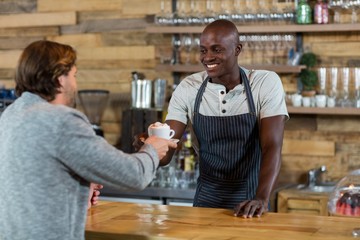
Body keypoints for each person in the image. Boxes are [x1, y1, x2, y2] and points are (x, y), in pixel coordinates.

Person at [0, 40, 177, 240]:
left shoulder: (11, 114)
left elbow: (32, 178)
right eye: (74, 76)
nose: (75, 84)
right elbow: (134, 175)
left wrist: (78, 187)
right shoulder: (61, 120)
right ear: (60, 79)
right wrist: (152, 149)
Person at [136, 19, 288, 218]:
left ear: (237, 49)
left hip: (251, 202)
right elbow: (166, 153)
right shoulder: (189, 87)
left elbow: (272, 146)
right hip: (205, 200)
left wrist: (261, 198)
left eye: (217, 50)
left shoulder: (264, 83)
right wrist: (148, 146)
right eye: (203, 50)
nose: (208, 57)